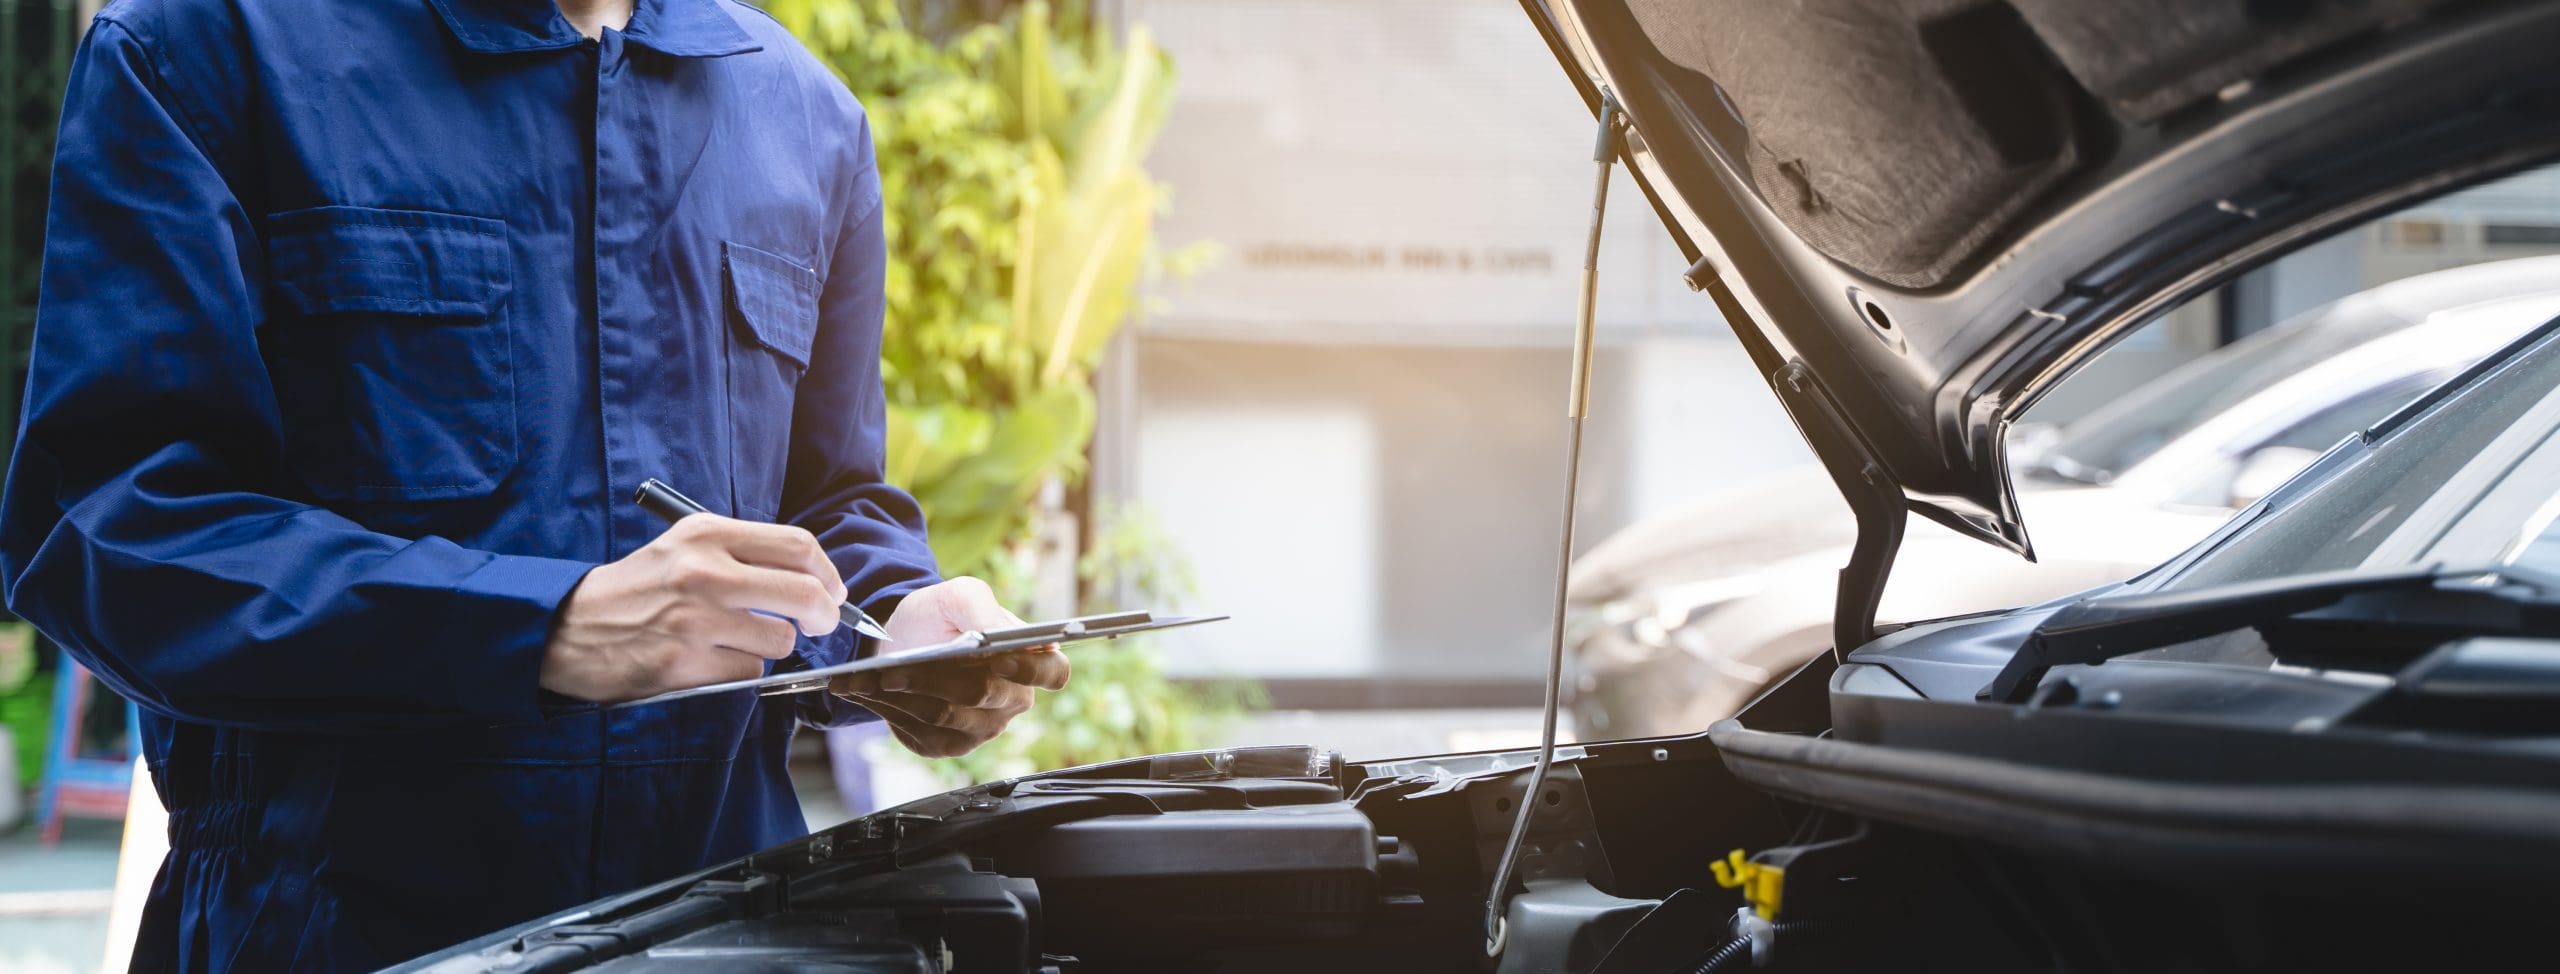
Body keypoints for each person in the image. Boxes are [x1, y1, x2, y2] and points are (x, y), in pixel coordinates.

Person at [0, 0, 1067, 967]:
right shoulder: (205, 51)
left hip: (735, 935)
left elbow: (832, 501)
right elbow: (111, 528)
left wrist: (900, 625)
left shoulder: (805, 118)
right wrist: (542, 626)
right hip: (327, 934)